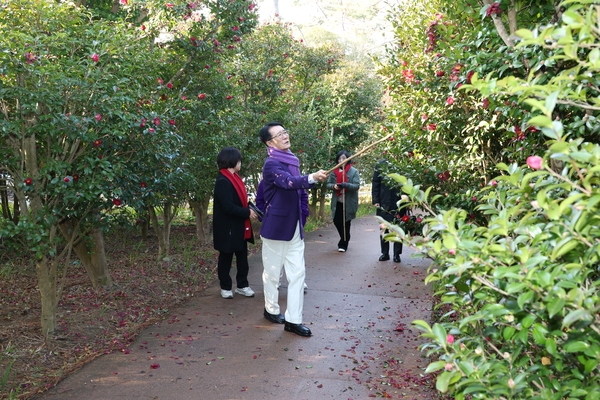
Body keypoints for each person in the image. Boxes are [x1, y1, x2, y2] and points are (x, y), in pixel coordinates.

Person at [258, 121, 328, 337]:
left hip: (295, 228)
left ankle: (293, 320)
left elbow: (300, 191)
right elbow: (289, 182)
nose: (285, 136)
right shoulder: (271, 164)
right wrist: (311, 178)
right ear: (270, 142)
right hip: (275, 229)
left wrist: (304, 213)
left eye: (285, 132)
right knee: (272, 274)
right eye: (280, 134)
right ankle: (271, 310)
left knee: (298, 275)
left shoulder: (292, 160)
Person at [213, 147, 259, 299]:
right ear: (232, 161)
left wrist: (249, 207)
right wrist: (247, 212)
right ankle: (225, 287)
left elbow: (240, 201)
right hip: (227, 227)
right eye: (239, 160)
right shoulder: (223, 181)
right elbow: (228, 207)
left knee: (242, 257)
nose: (240, 163)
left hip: (239, 226)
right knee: (226, 257)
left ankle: (242, 285)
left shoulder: (236, 179)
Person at [372, 159, 407, 263]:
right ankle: (385, 253)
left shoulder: (402, 163)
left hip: (399, 202)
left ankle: (397, 254)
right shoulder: (380, 164)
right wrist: (376, 200)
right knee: (384, 229)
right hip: (384, 202)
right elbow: (375, 183)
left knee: (398, 229)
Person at [326, 150, 360, 252]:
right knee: (337, 221)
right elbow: (328, 184)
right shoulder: (334, 171)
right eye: (340, 158)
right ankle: (345, 237)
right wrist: (334, 186)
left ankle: (343, 244)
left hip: (348, 202)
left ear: (348, 159)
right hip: (337, 202)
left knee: (346, 222)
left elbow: (357, 185)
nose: (342, 160)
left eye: (344, 158)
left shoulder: (354, 171)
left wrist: (346, 185)